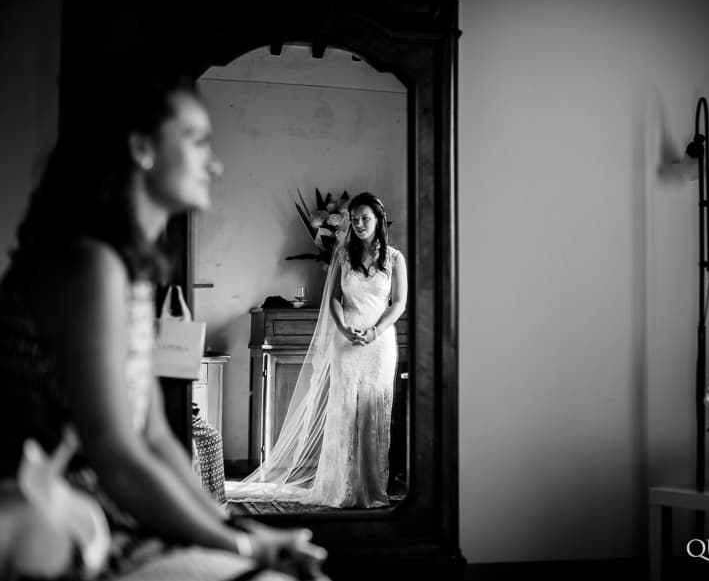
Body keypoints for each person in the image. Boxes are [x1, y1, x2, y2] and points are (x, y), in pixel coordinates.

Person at [0, 67, 328, 580]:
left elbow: (153, 437)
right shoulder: (89, 265)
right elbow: (118, 457)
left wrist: (239, 528)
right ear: (142, 149)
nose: (215, 164)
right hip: (58, 515)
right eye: (197, 141)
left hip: (105, 507)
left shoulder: (125, 270)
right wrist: (244, 548)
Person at [228, 192, 408, 508]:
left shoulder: (394, 258)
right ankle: (342, 486)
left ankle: (373, 488)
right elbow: (336, 298)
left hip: (380, 342)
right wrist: (343, 328)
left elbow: (399, 303)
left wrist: (376, 330)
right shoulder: (342, 256)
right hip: (346, 336)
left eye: (366, 218)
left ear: (379, 220)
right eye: (355, 219)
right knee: (344, 410)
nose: (360, 224)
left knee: (374, 412)